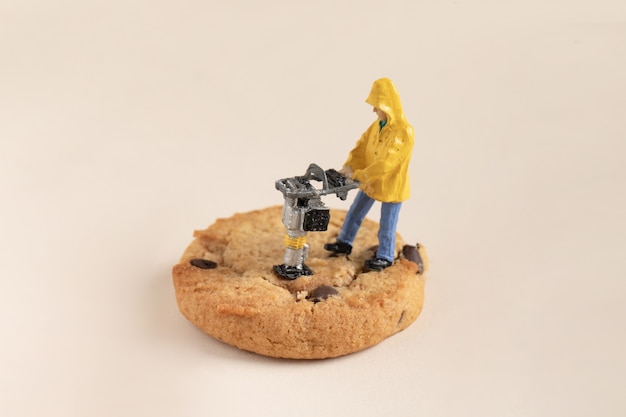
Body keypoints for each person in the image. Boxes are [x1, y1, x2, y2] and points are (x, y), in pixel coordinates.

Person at [324, 78, 414, 271]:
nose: (374, 110)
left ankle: (385, 256)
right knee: (355, 212)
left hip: (390, 186)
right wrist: (349, 167)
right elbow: (361, 147)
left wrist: (361, 175)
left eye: (377, 106)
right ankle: (344, 242)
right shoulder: (376, 126)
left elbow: (387, 163)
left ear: (387, 106)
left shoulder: (403, 132)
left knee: (387, 224)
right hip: (369, 181)